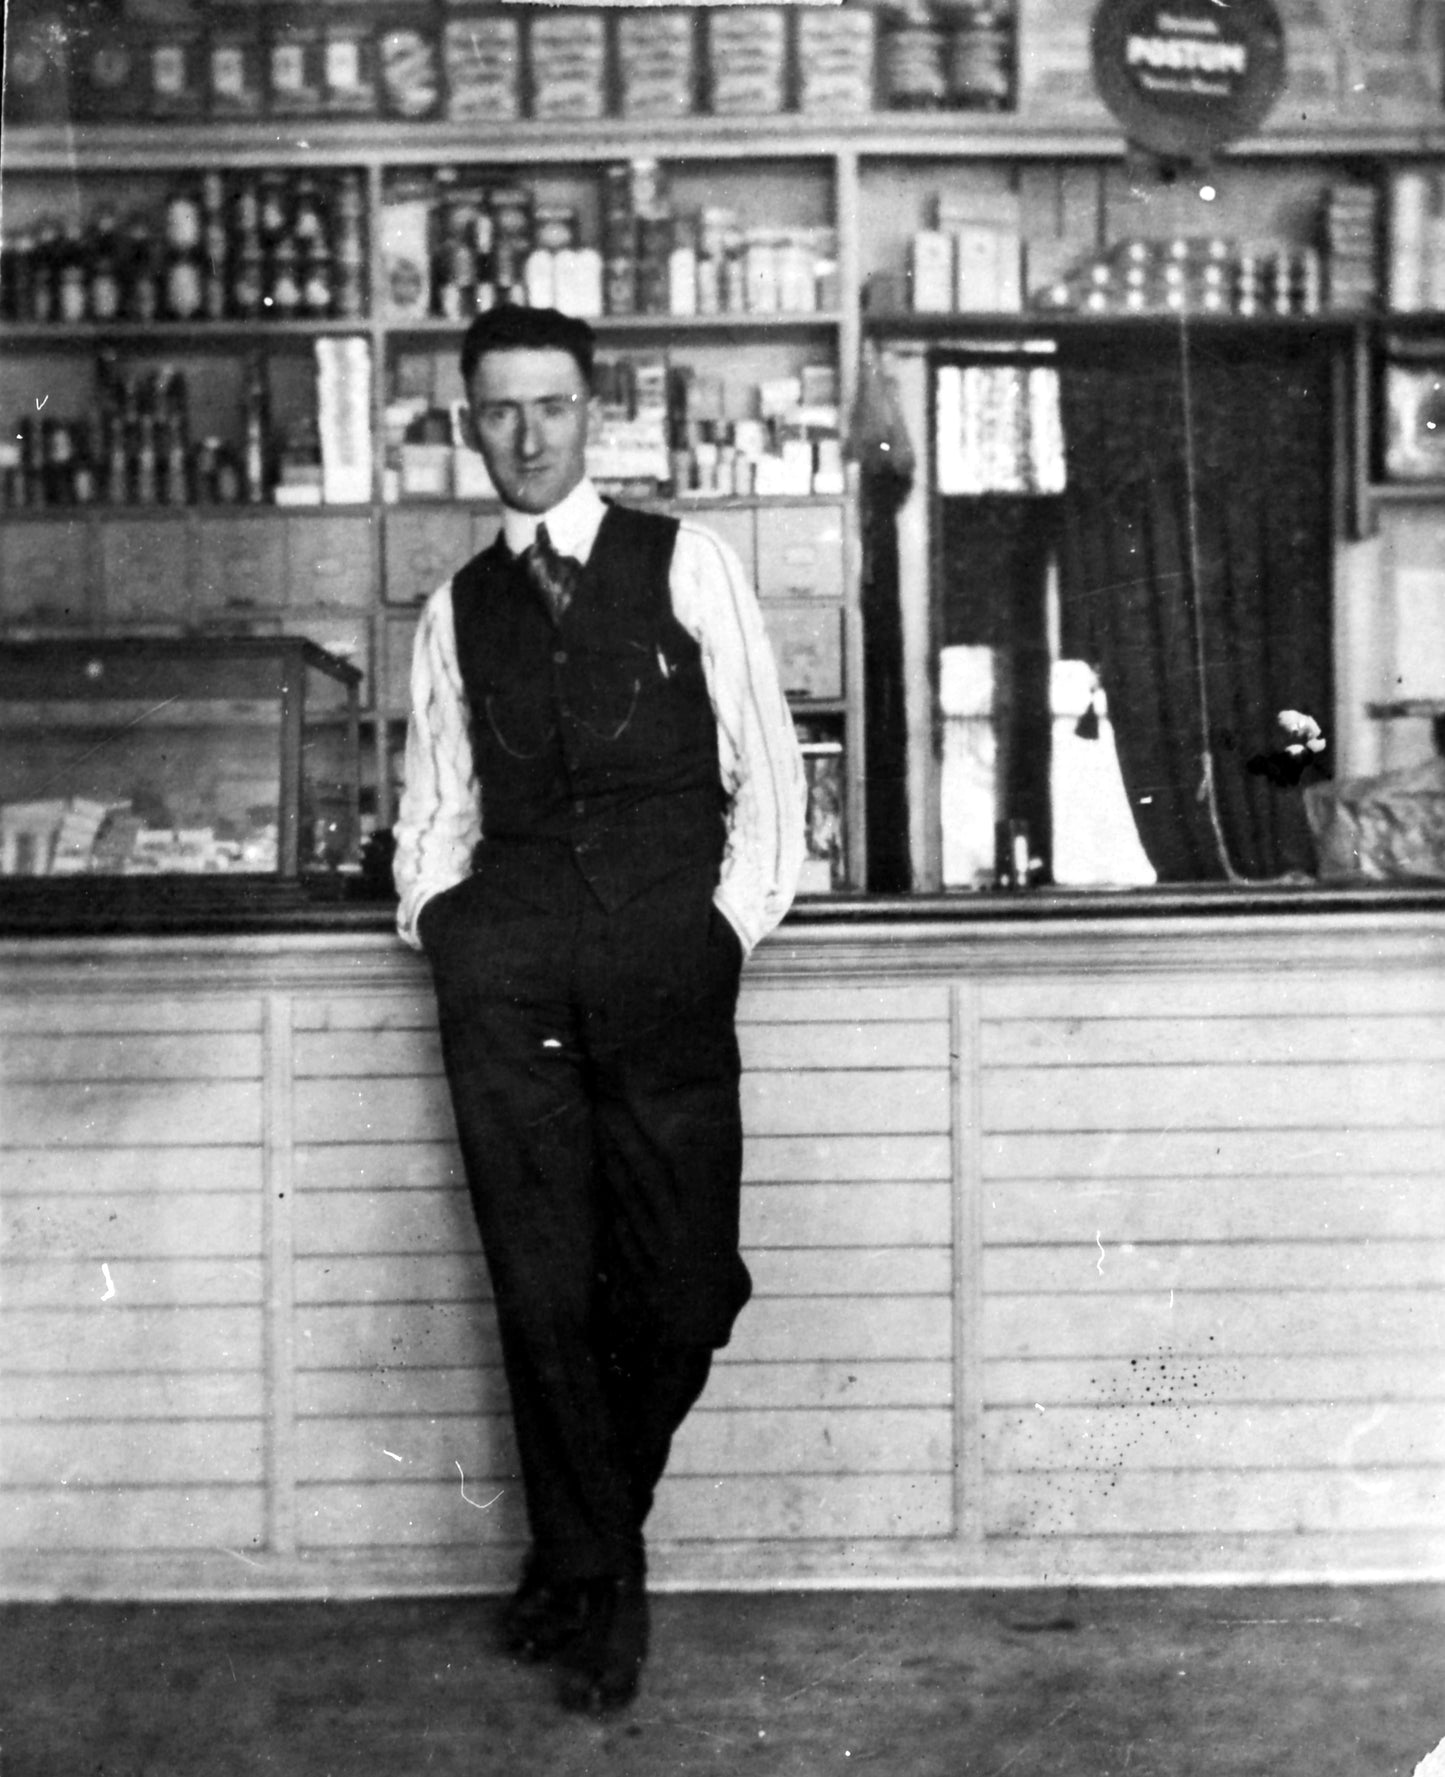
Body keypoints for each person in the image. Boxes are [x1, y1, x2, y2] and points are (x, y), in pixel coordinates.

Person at [392, 305, 806, 1715]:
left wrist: (722, 932)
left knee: (686, 1284)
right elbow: (433, 809)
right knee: (543, 1288)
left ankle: (573, 1557)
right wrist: (446, 929)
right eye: (499, 410)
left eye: (551, 408)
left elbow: (770, 770)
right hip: (507, 983)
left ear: (592, 416)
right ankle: (605, 1594)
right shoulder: (457, 607)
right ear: (469, 424)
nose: (526, 434)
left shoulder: (685, 560)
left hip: (662, 975)